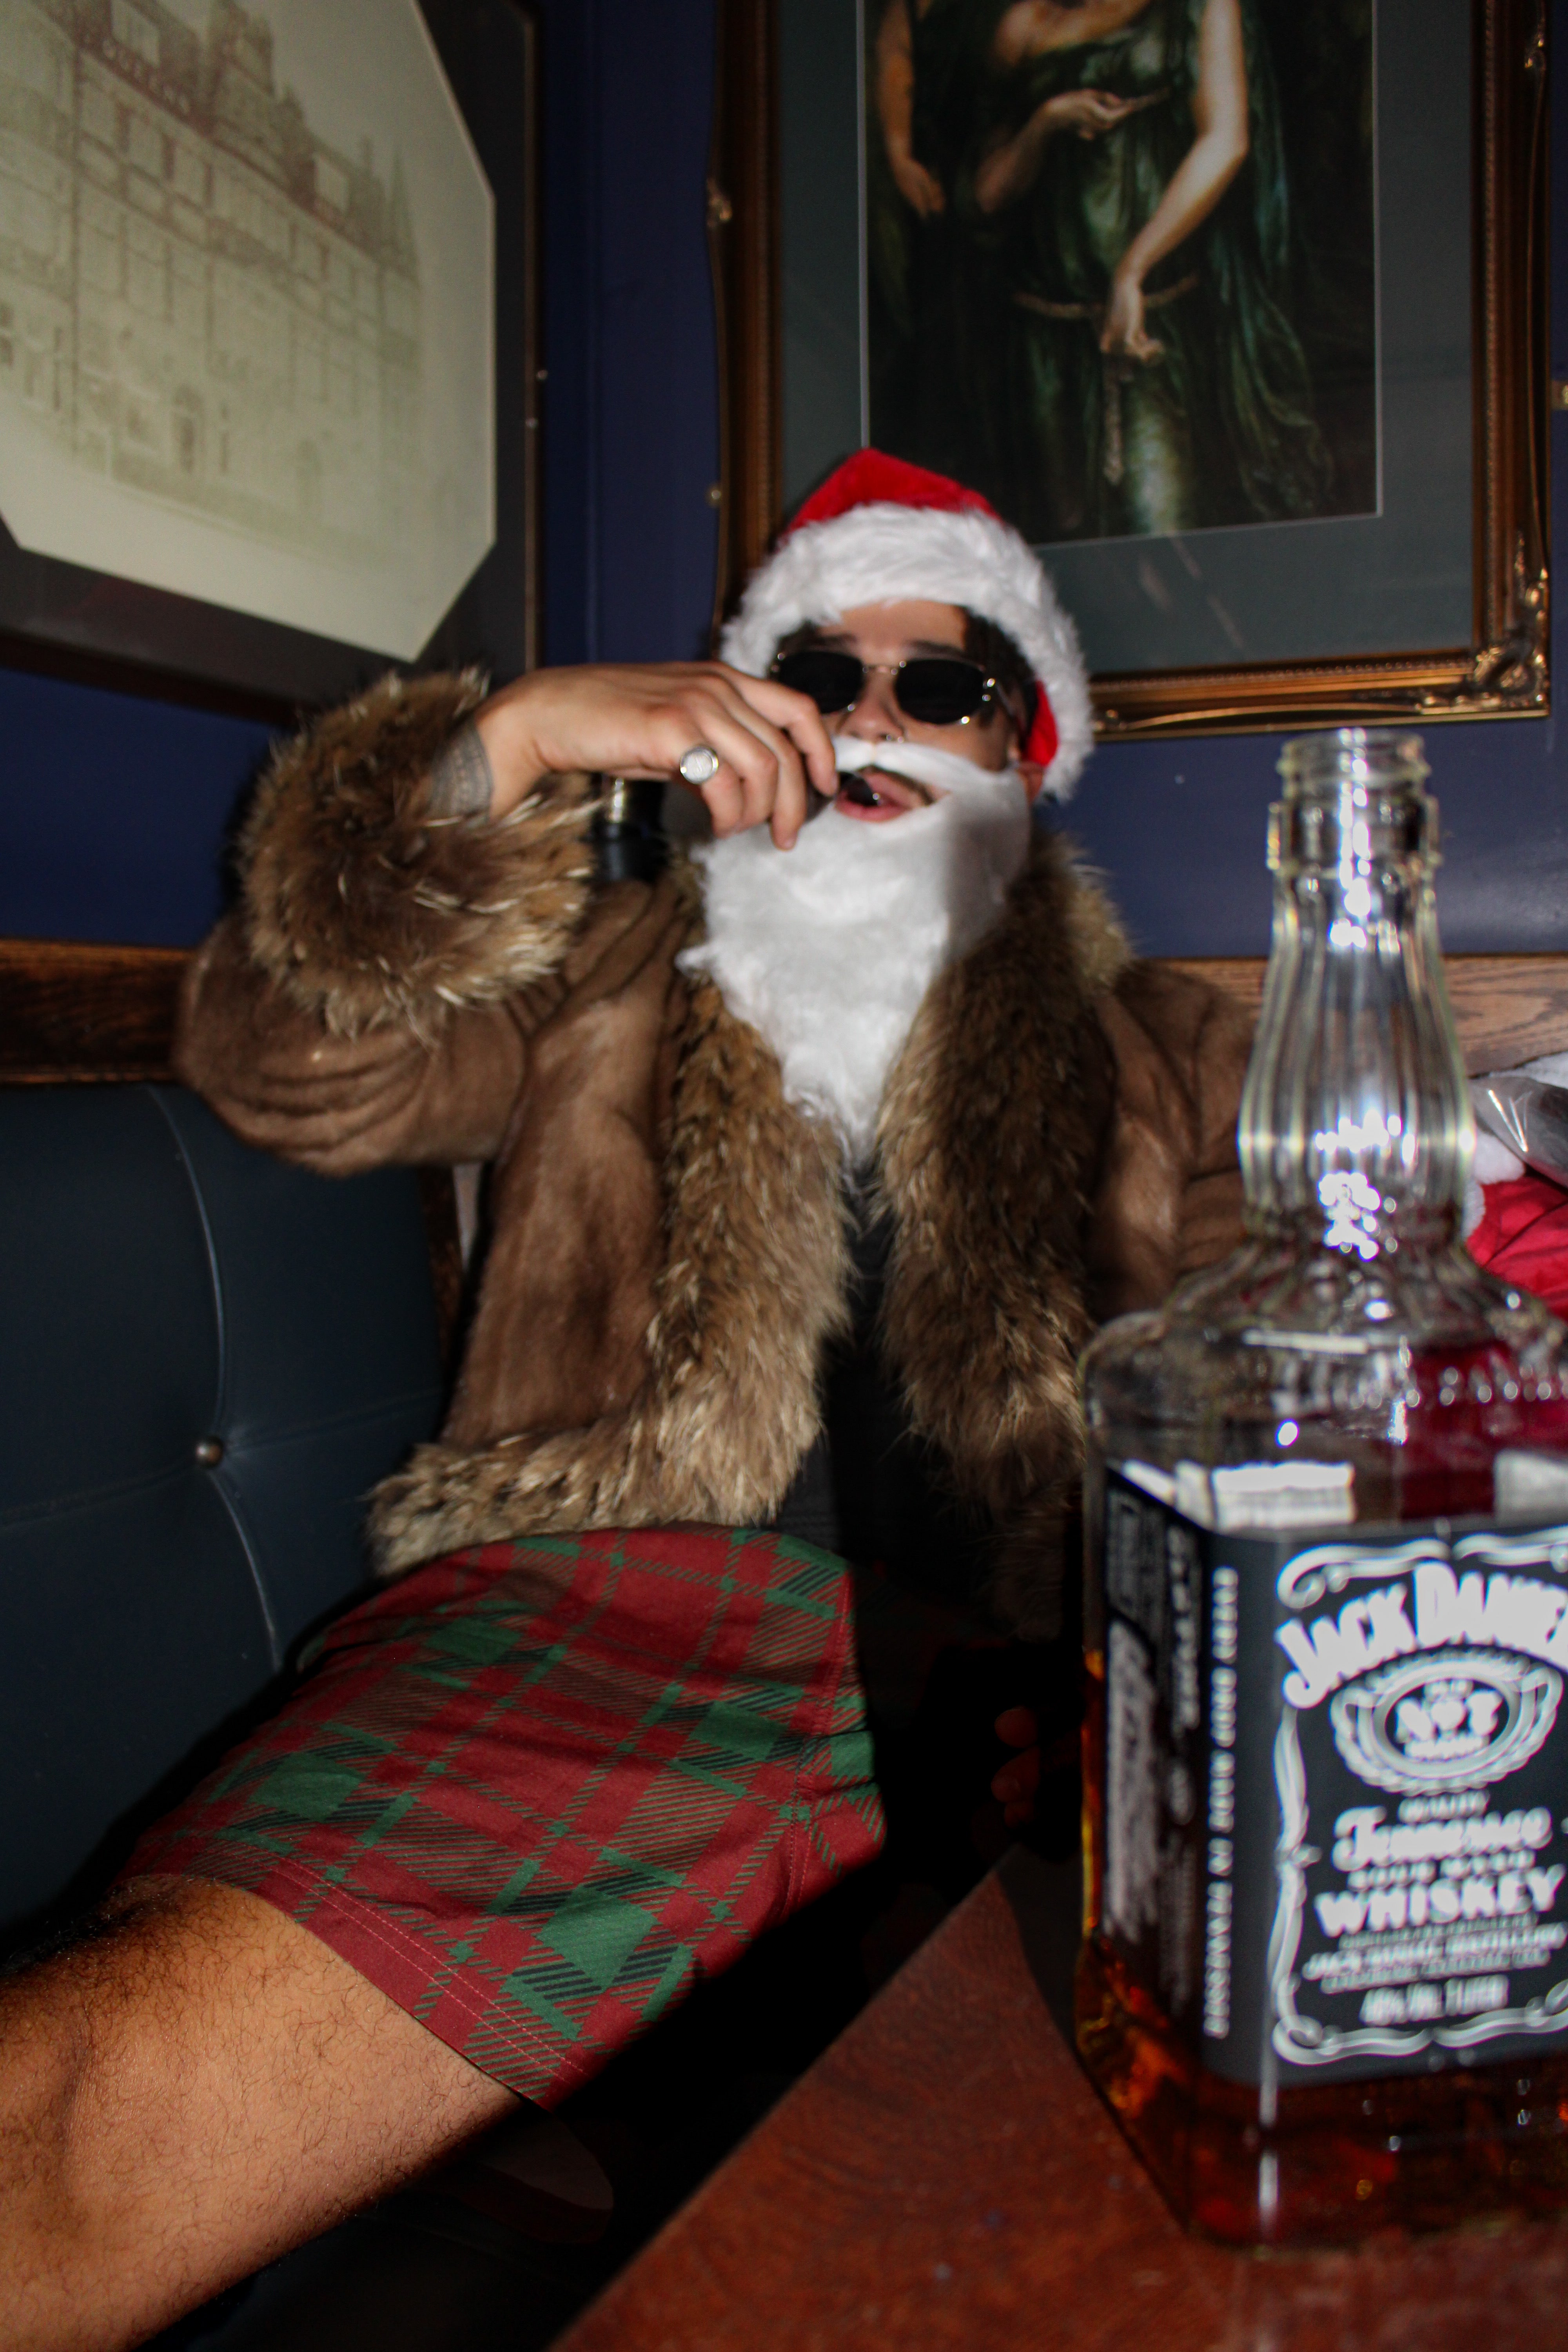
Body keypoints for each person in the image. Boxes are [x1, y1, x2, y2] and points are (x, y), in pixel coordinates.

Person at [0, 448, 1252, 2349]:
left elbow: (1299, 1383)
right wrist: (504, 749)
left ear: (1029, 744)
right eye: (819, 681)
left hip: (1046, 1681)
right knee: (78, 2119)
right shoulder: (610, 969)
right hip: (602, 1624)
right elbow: (279, 1064)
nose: (875, 722)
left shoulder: (1171, 1042)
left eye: (946, 681)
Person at [869, 0, 1331, 542]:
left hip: (1152, 329)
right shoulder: (1023, 22)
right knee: (1065, 556)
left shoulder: (1196, 6)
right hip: (1043, 343)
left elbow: (1226, 140)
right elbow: (986, 195)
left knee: (1166, 536)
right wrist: (1044, 124)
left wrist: (1132, 271)